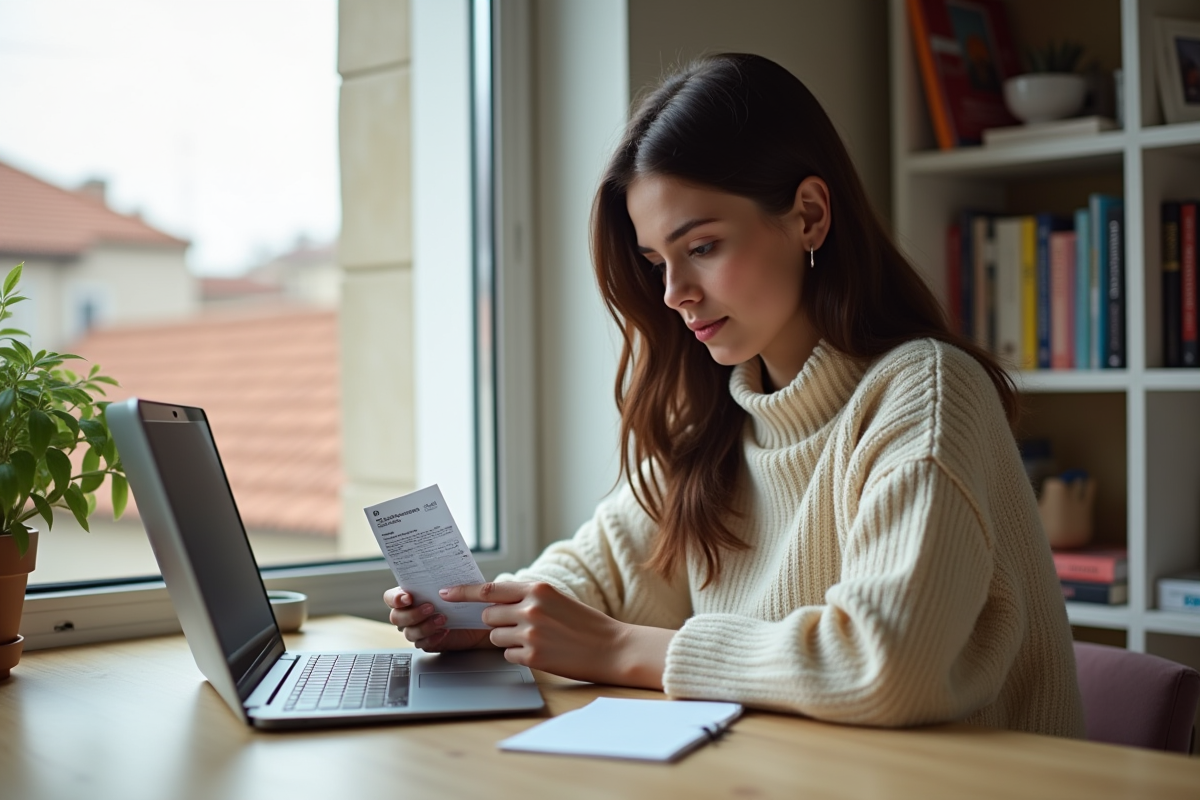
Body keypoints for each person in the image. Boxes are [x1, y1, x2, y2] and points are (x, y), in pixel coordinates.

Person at [386, 53, 1085, 738]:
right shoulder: (723, 415)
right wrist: (480, 616)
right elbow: (596, 575)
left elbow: (884, 662)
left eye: (704, 246)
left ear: (810, 215)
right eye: (658, 262)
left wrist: (619, 649)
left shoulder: (924, 394)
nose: (673, 294)